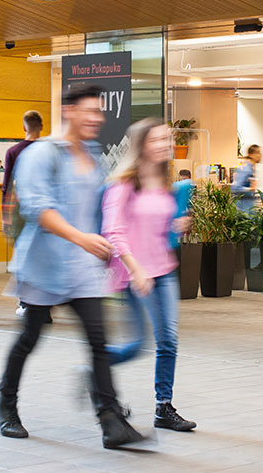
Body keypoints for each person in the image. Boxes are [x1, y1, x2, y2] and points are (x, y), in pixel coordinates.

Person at [0, 84, 143, 449]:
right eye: (89, 111)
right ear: (69, 111)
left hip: (83, 270)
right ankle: (5, 405)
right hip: (45, 265)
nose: (96, 119)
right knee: (30, 337)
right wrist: (82, 238)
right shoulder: (43, 153)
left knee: (98, 340)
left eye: (100, 112)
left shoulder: (92, 154)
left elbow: (97, 208)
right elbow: (36, 208)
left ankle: (110, 420)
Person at [102, 118, 196, 432]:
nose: (164, 145)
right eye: (156, 140)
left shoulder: (166, 183)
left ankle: (163, 407)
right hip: (134, 275)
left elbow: (156, 228)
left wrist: (176, 226)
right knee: (137, 345)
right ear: (142, 144)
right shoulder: (124, 184)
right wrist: (136, 269)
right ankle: (97, 366)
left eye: (167, 140)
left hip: (164, 270)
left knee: (168, 341)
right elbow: (114, 232)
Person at [1, 110, 43, 318]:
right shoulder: (48, 151)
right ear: (41, 127)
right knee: (43, 257)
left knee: (23, 256)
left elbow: (7, 186)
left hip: (21, 213)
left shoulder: (14, 151)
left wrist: (5, 215)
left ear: (24, 127)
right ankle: (43, 305)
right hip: (45, 213)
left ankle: (25, 303)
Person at [232, 144, 262, 212]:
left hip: (249, 209)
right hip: (243, 210)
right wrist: (250, 189)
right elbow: (235, 187)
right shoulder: (246, 169)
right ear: (251, 154)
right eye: (258, 153)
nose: (260, 155)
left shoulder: (251, 169)